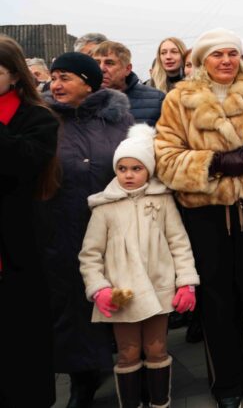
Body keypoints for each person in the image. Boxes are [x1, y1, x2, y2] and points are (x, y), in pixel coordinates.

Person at [154, 28, 243, 407]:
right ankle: (227, 383)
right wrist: (215, 163)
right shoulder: (178, 100)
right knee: (217, 301)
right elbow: (165, 158)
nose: (227, 61)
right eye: (218, 55)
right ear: (202, 60)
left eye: (232, 54)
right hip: (206, 215)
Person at [78, 124, 200, 408]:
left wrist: (186, 283)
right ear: (115, 170)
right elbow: (90, 255)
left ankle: (160, 403)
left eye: (136, 168)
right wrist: (99, 289)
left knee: (157, 349)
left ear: (148, 169)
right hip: (124, 295)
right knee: (128, 353)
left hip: (159, 290)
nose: (129, 175)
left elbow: (179, 243)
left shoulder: (162, 201)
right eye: (122, 169)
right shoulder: (104, 208)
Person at [44, 51, 134, 407]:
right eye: (53, 77)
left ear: (88, 81)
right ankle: (83, 379)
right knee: (73, 306)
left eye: (65, 77)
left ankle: (135, 368)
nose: (56, 84)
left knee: (122, 297)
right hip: (63, 226)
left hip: (115, 228)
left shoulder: (119, 120)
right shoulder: (47, 122)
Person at [0, 37, 61, 408]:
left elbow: (21, 165)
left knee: (21, 341)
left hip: (18, 244)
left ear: (15, 75)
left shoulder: (36, 118)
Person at [93, 41, 165, 126]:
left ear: (127, 69)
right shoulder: (80, 98)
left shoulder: (157, 100)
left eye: (109, 63)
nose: (101, 68)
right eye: (96, 63)